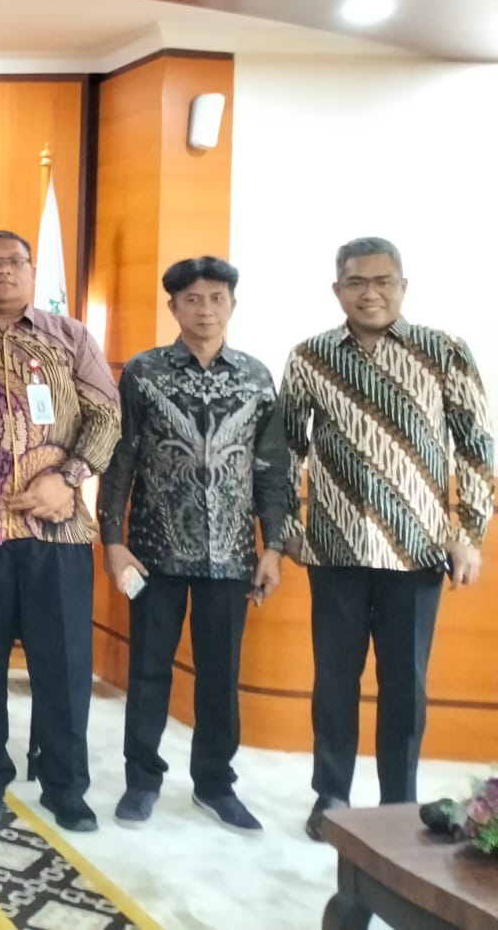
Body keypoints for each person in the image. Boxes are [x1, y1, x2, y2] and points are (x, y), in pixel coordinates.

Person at [281, 237, 493, 840]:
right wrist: (288, 528)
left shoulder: (444, 351)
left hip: (417, 551)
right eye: (356, 282)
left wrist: (468, 533)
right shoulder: (310, 357)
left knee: (405, 686)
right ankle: (331, 796)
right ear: (337, 289)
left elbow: (477, 448)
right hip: (336, 549)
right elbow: (286, 448)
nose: (369, 293)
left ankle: (399, 802)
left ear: (403, 286)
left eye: (382, 281)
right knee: (334, 681)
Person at [0, 229, 120, 833]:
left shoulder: (70, 337)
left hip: (57, 532)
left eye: (17, 261)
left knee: (64, 667)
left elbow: (106, 416)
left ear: (33, 272)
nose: (5, 271)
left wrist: (68, 479)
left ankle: (66, 785)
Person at [97, 256, 287, 835]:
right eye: (193, 300)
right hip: (154, 552)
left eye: (216, 299)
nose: (205, 310)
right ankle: (141, 780)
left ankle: (214, 783)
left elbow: (271, 470)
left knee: (220, 677)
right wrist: (113, 539)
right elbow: (121, 460)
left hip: (231, 555)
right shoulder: (144, 373)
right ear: (173, 307)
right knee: (148, 670)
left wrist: (273, 547)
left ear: (232, 305)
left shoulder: (256, 377)